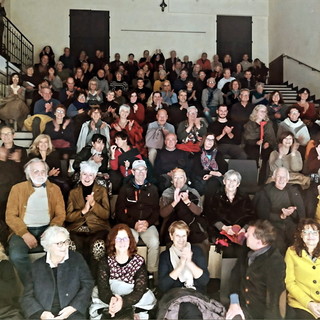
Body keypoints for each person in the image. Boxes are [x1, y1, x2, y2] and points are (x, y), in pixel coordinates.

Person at [6, 158, 65, 285]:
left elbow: (60, 215)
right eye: (36, 171)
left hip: (48, 228)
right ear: (28, 174)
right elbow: (10, 216)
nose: (40, 174)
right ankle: (32, 286)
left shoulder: (55, 189)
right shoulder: (17, 189)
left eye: (43, 171)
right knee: (16, 255)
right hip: (22, 230)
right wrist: (24, 233)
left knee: (61, 250)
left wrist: (51, 230)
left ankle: (55, 286)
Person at [21, 226, 94, 319]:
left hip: (72, 314)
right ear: (48, 246)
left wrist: (73, 307)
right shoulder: (37, 266)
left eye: (66, 241)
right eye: (59, 243)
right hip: (44, 315)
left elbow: (88, 284)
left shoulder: (77, 259)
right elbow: (27, 296)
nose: (64, 246)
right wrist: (41, 313)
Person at [157, 221, 224, 320]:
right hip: (174, 296)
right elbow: (163, 286)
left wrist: (189, 263)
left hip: (196, 294)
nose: (181, 240)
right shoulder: (165, 256)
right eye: (177, 236)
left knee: (189, 308)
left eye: (183, 236)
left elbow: (204, 281)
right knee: (186, 308)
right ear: (171, 236)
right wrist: (180, 266)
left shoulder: (196, 251)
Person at [91, 224, 156, 319]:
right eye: (118, 239)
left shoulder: (138, 261)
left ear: (130, 241)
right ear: (113, 241)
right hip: (110, 298)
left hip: (132, 299)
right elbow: (103, 288)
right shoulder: (105, 261)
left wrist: (122, 302)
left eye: (125, 238)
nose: (122, 242)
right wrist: (112, 301)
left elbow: (139, 290)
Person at [226, 220, 285, 320]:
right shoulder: (246, 250)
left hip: (260, 314)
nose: (244, 235)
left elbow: (274, 299)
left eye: (248, 235)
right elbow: (235, 277)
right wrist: (234, 303)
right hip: (240, 307)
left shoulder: (274, 262)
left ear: (260, 242)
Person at [115, 160, 160, 275]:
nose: (141, 173)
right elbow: (119, 212)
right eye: (138, 170)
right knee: (128, 241)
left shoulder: (153, 188)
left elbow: (156, 211)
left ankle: (150, 273)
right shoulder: (125, 189)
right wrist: (133, 223)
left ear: (146, 172)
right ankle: (128, 272)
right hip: (130, 224)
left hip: (147, 225)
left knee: (154, 242)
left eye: (143, 170)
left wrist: (147, 223)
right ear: (132, 172)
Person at [66, 161, 110, 267]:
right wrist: (83, 211)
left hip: (98, 228)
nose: (87, 177)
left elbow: (106, 215)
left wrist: (94, 204)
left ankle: (95, 279)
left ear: (95, 176)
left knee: (97, 245)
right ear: (80, 175)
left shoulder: (102, 190)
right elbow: (68, 217)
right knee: (73, 246)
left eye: (90, 175)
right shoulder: (73, 192)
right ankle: (78, 279)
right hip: (77, 228)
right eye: (84, 174)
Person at [253, 167, 306, 253]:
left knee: (297, 245)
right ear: (273, 178)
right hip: (272, 224)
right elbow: (262, 215)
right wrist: (281, 216)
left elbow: (301, 215)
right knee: (278, 247)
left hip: (291, 224)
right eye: (278, 176)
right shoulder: (265, 192)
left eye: (284, 177)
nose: (281, 179)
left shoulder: (293, 191)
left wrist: (292, 212)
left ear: (288, 179)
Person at [160, 168, 210, 257]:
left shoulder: (193, 192)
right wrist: (174, 202)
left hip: (191, 225)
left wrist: (187, 201)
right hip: (173, 225)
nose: (178, 180)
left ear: (185, 179)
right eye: (175, 178)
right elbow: (163, 214)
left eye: (181, 177)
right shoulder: (167, 193)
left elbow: (199, 212)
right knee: (171, 244)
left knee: (203, 244)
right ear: (172, 180)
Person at [204, 170, 255, 255]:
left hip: (241, 232)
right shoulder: (215, 195)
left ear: (238, 184)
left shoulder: (244, 196)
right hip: (221, 231)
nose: (231, 183)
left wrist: (243, 229)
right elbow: (210, 214)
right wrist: (224, 227)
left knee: (243, 250)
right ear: (224, 181)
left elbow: (251, 215)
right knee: (227, 250)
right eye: (229, 180)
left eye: (234, 180)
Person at [285, 219, 320, 319]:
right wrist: (309, 303)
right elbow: (290, 282)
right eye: (306, 232)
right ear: (301, 235)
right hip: (301, 303)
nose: (310, 236)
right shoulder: (291, 252)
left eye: (314, 232)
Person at [243, 104, 276, 183]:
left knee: (267, 155)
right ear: (256, 112)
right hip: (252, 144)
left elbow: (271, 136)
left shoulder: (268, 123)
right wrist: (256, 142)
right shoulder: (250, 124)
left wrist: (267, 143)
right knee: (254, 155)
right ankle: (251, 180)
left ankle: (262, 180)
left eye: (265, 112)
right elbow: (247, 138)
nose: (263, 113)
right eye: (261, 111)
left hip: (264, 144)